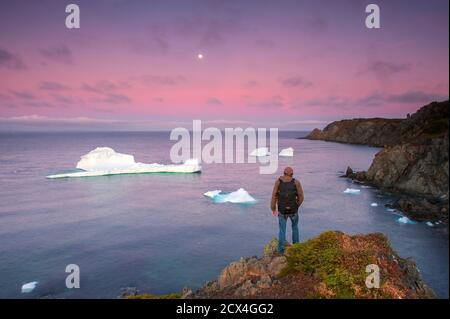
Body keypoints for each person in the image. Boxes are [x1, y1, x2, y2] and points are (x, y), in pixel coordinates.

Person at [270, 167, 304, 253]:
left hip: (282, 211)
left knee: (282, 230)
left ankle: (280, 250)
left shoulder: (278, 182)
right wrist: (296, 206)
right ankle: (296, 248)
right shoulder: (296, 182)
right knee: (295, 228)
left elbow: (274, 196)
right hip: (293, 211)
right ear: (292, 174)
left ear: (283, 173)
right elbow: (301, 197)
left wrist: (273, 208)